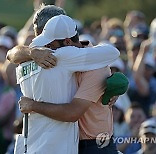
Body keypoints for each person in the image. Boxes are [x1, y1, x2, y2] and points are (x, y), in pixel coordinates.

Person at [7, 5, 120, 154]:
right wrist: (31, 52)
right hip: (69, 143)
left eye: (48, 43)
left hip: (93, 146)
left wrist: (32, 105)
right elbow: (11, 54)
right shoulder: (47, 55)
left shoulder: (92, 65)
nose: (44, 47)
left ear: (66, 42)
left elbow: (72, 113)